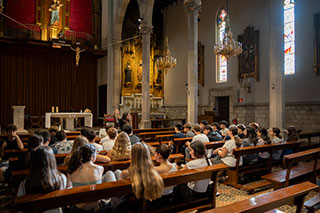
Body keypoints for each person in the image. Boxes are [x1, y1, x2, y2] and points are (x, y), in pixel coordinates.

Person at [17, 146, 67, 213]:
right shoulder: (62, 178)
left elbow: (20, 205)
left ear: (34, 161)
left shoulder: (25, 183)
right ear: (52, 160)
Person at [67, 144, 104, 211]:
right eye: (96, 153)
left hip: (78, 207)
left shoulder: (72, 170)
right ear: (92, 157)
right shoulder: (100, 169)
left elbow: (68, 188)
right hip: (96, 207)